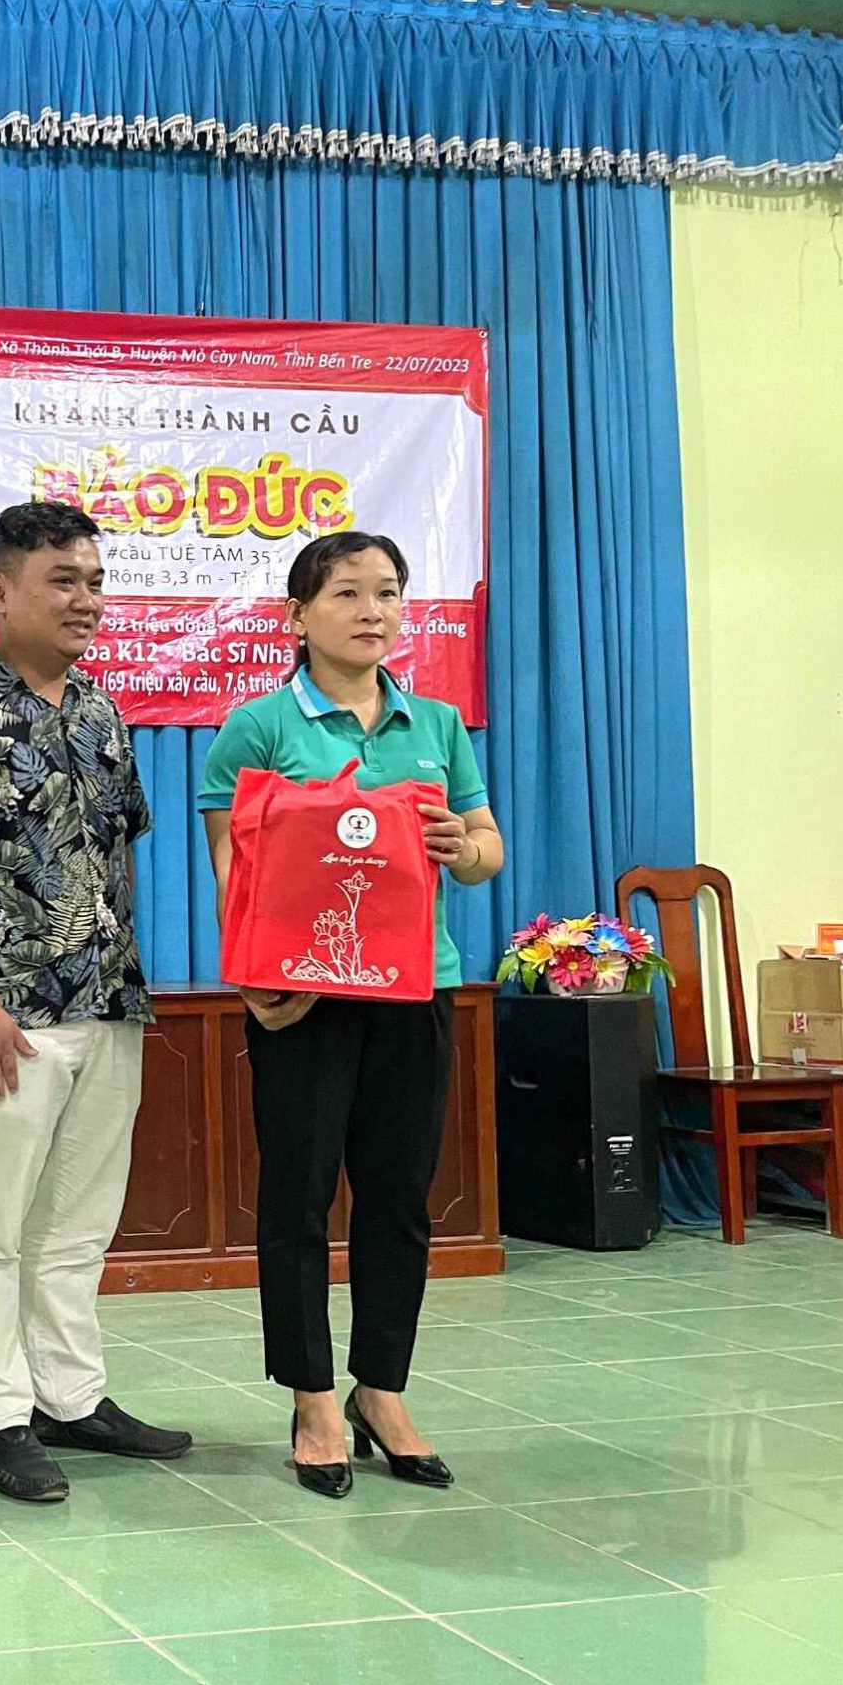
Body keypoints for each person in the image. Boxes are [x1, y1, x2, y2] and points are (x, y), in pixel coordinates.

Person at [0, 503, 194, 1504]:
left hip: (107, 1004)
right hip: (8, 1014)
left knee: (76, 1223)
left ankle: (70, 1397)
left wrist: (124, 981)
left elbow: (116, 855)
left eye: (95, 581)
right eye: (62, 579)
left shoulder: (101, 712)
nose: (85, 599)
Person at [200, 530, 504, 1498]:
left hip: (416, 990)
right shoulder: (257, 727)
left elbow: (485, 849)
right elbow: (232, 868)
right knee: (296, 1198)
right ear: (298, 616)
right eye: (345, 593)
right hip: (304, 1000)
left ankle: (383, 1390)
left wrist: (463, 846)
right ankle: (312, 1399)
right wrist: (255, 984)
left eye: (387, 592)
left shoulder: (437, 724)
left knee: (399, 1197)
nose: (372, 611)